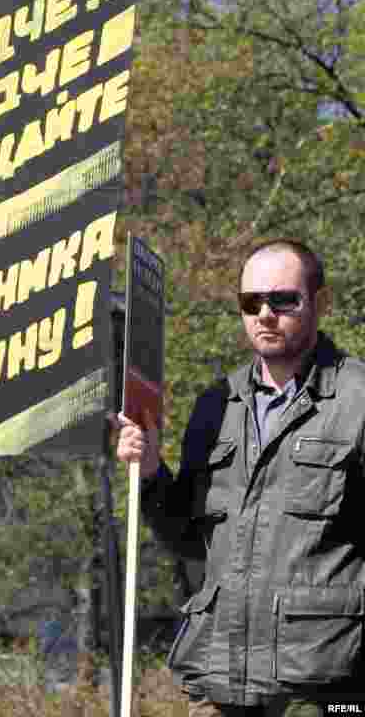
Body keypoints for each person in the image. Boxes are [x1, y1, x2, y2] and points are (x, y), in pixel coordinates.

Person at [115, 240, 365, 717]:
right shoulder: (216, 404)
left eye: (283, 300)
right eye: (251, 302)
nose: (265, 314)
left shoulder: (358, 399)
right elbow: (188, 541)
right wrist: (148, 471)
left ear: (321, 303)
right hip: (217, 681)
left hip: (319, 688)